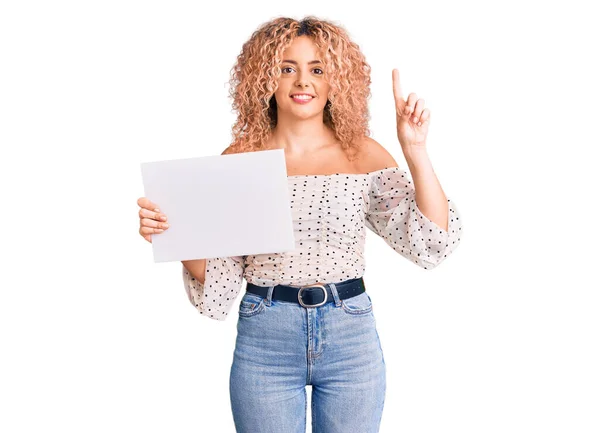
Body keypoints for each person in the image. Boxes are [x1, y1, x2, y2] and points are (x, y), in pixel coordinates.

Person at [137, 16, 462, 433]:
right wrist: (174, 234)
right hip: (265, 334)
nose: (302, 81)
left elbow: (431, 242)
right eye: (287, 68)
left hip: (350, 334)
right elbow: (221, 279)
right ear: (266, 79)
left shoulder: (362, 153)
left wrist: (415, 150)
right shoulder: (242, 157)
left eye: (317, 69)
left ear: (335, 81)